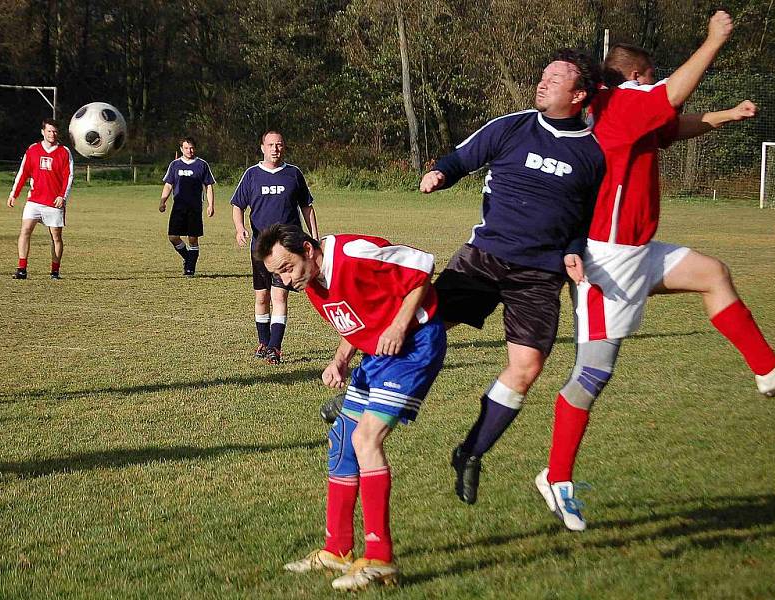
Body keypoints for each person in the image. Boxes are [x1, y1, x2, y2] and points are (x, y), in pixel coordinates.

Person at [535, 11, 775, 533]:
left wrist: (726, 117)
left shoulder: (626, 113)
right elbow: (669, 98)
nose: (656, 86)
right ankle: (556, 477)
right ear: (633, 79)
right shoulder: (621, 104)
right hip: (607, 260)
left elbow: (671, 126)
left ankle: (767, 369)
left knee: (713, 273)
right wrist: (714, 39)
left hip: (638, 249)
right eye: (650, 78)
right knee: (593, 374)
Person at [419, 49, 604, 507]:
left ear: (579, 95)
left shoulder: (594, 152)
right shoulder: (514, 126)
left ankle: (471, 451)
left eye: (556, 78)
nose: (543, 83)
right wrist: (441, 171)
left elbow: (585, 217)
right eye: (543, 75)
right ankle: (359, 397)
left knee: (526, 369)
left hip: (539, 278)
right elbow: (464, 157)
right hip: (484, 259)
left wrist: (574, 250)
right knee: (420, 326)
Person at [254, 223, 446, 591]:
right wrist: (340, 359)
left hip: (415, 345)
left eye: (288, 268)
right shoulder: (310, 282)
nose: (287, 280)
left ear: (309, 250)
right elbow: (355, 318)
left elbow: (424, 266)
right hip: (377, 353)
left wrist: (399, 327)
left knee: (366, 439)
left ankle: (380, 558)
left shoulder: (355, 254)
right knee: (343, 437)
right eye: (278, 274)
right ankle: (337, 549)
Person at [231, 130, 318, 364]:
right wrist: (239, 229)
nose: (275, 149)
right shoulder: (251, 175)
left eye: (279, 145)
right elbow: (238, 205)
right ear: (262, 147)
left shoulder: (293, 174)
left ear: (284, 147)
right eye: (270, 145)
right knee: (262, 297)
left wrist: (314, 237)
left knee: (280, 296)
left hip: (287, 251)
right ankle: (264, 342)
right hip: (260, 248)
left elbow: (307, 207)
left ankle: (275, 347)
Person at [7, 118, 74, 280]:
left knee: (56, 237)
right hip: (34, 201)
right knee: (25, 231)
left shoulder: (64, 152)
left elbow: (68, 176)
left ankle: (55, 272)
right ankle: (22, 269)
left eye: (55, 131)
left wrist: (62, 197)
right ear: (43, 132)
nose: (52, 134)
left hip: (54, 203)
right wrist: (13, 194)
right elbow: (23, 173)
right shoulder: (33, 150)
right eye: (49, 131)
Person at [159, 137, 216, 276]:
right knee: (173, 237)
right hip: (178, 207)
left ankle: (190, 268)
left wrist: (211, 205)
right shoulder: (175, 165)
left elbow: (208, 186)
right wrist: (163, 201)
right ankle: (188, 258)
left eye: (191, 148)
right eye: (186, 148)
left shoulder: (202, 165)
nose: (189, 151)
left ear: (195, 148)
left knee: (192, 239)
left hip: (194, 208)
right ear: (181, 149)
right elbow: (168, 184)